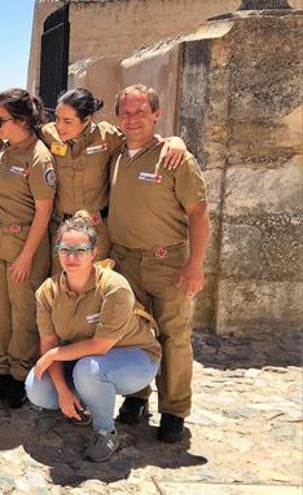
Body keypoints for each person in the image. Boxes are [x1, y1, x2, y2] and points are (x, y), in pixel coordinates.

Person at [108, 84, 210, 443]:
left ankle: (174, 410)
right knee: (131, 332)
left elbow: (198, 213)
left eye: (139, 112)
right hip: (125, 261)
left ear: (156, 115)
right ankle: (137, 397)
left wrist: (195, 265)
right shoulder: (117, 154)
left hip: (167, 262)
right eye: (126, 112)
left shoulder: (175, 157)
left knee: (174, 336)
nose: (132, 119)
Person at [25, 213, 161, 462]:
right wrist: (63, 391)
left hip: (135, 357)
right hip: (80, 360)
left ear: (94, 252)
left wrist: (54, 355)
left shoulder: (114, 287)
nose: (72, 257)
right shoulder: (47, 291)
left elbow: (100, 346)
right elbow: (49, 345)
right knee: (38, 389)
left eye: (80, 250)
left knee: (89, 370)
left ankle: (105, 431)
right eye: (65, 249)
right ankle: (84, 405)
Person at [0, 88, 55, 408]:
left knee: (22, 313)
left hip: (23, 241)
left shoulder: (38, 155)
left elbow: (44, 210)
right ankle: (0, 371)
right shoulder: (0, 147)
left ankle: (20, 375)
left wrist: (28, 255)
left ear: (21, 120)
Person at [38, 88, 189, 275]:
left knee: (95, 290)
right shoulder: (48, 134)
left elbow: (142, 140)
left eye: (67, 121)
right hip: (62, 230)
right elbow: (19, 140)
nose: (60, 125)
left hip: (96, 232)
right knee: (62, 290)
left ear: (87, 120)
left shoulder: (107, 136)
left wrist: (174, 141)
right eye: (58, 118)